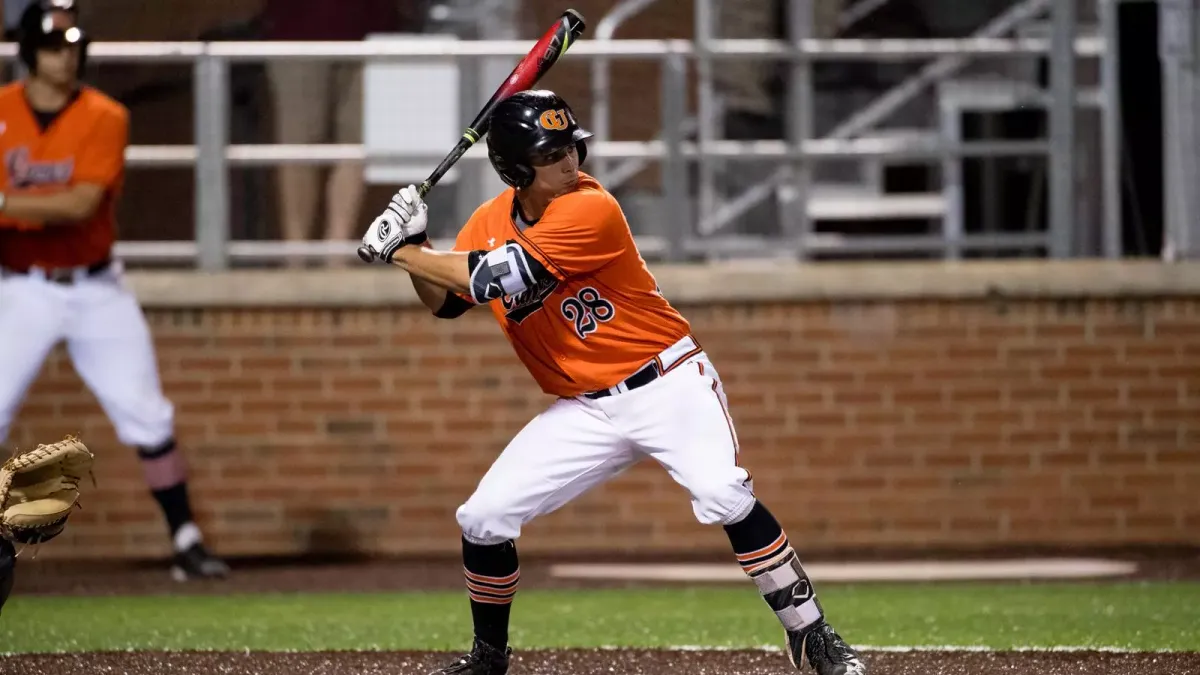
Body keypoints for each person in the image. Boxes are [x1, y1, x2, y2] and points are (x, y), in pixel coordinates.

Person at [358, 90, 867, 675]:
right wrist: (417, 246)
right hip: (585, 408)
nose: (571, 160)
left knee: (722, 491)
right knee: (482, 517)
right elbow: (446, 302)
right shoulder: (487, 223)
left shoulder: (590, 207)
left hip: (667, 382)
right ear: (516, 166)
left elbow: (497, 279)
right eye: (553, 152)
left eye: (571, 146)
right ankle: (487, 658)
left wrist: (399, 252)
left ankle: (814, 635)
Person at [0, 0, 228, 582]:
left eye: (73, 44)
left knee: (146, 414)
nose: (65, 56)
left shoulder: (105, 114)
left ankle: (186, 537)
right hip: (21, 287)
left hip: (96, 287)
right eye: (53, 46)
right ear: (29, 51)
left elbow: (79, 204)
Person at [260, 0, 429, 266]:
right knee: (299, 144)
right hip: (297, 32)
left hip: (372, 33)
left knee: (357, 145)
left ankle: (336, 253)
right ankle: (295, 256)